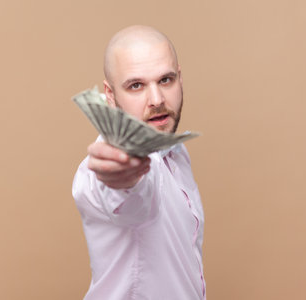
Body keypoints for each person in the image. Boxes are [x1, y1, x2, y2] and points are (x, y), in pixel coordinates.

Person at [72, 25, 206, 300]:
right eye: (136, 85)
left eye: (166, 80)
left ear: (180, 78)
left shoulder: (176, 153)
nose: (156, 100)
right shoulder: (99, 171)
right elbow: (130, 199)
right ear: (110, 95)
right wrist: (124, 178)